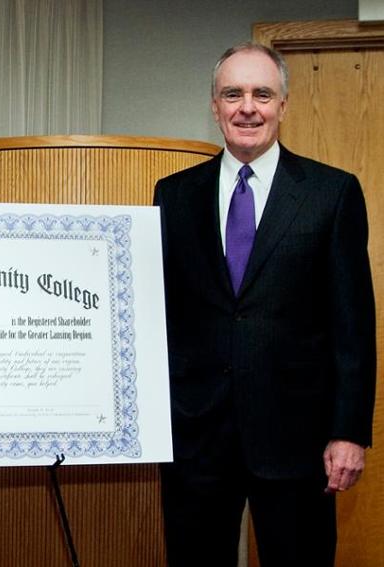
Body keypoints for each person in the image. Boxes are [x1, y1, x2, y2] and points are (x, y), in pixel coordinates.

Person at [154, 42, 376, 566]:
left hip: (298, 442)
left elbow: (353, 325)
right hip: (196, 441)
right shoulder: (174, 195)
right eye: (233, 94)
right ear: (214, 105)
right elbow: (160, 316)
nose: (247, 107)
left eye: (262, 94)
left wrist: (348, 432)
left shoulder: (332, 193)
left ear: (283, 105)